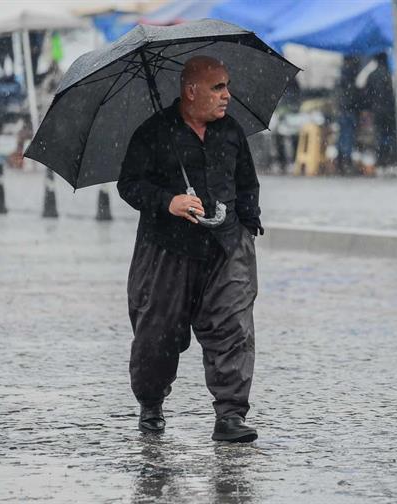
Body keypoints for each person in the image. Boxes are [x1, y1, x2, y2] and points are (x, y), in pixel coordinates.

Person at [117, 56, 262, 442]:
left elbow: (247, 183)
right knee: (157, 335)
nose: (226, 95)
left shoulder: (231, 132)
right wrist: (169, 202)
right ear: (191, 90)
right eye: (218, 87)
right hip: (167, 249)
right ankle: (151, 404)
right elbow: (129, 185)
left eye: (227, 86)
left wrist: (248, 226)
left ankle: (230, 416)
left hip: (226, 246)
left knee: (233, 329)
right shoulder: (153, 133)